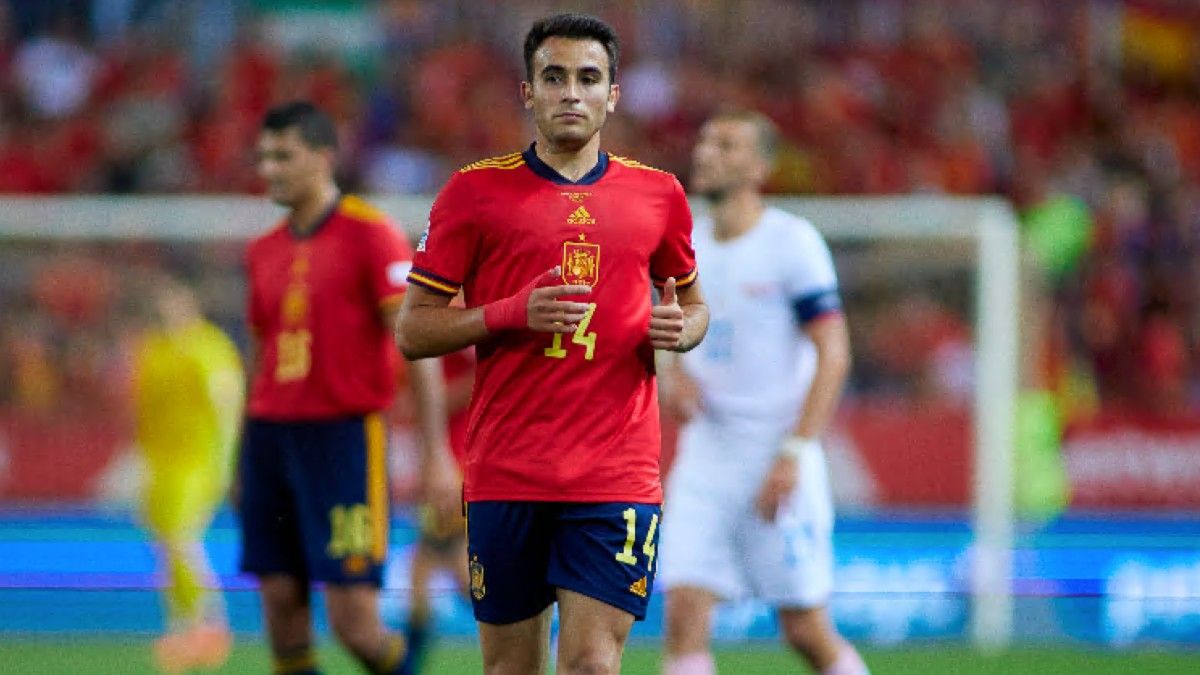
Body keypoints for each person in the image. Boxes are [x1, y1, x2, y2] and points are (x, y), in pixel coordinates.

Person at [394, 13, 709, 675]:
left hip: (615, 472)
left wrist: (684, 328)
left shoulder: (659, 196)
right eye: (555, 76)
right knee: (512, 668)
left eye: (588, 78)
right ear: (527, 91)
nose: (572, 92)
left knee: (592, 663)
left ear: (612, 95)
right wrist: (512, 312)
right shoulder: (474, 193)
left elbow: (693, 301)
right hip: (508, 469)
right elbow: (414, 330)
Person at [239, 100, 458, 675]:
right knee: (282, 606)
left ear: (322, 157)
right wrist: (244, 457)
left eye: (283, 155)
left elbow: (417, 345)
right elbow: (262, 359)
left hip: (342, 441)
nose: (269, 168)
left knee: (353, 621)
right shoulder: (263, 250)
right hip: (270, 439)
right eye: (263, 156)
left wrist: (436, 454)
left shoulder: (371, 234)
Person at [657, 110, 869, 675]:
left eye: (725, 143)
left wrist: (795, 451)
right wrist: (672, 375)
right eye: (704, 140)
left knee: (803, 629)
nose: (706, 152)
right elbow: (668, 328)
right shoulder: (686, 245)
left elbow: (834, 351)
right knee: (684, 612)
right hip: (705, 456)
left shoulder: (791, 243)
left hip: (776, 455)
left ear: (760, 167)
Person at [132, 276, 243, 674]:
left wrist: (227, 464)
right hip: (160, 463)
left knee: (181, 538)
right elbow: (145, 411)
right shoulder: (153, 350)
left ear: (189, 307)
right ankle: (184, 628)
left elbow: (226, 408)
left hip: (198, 461)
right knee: (166, 544)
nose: (166, 314)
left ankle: (210, 625)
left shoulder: (209, 347)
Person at [400, 345, 475, 674]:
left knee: (446, 563)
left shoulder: (464, 318)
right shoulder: (442, 312)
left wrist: (434, 401)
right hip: (445, 462)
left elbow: (486, 375)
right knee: (429, 564)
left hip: (460, 462)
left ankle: (407, 664)